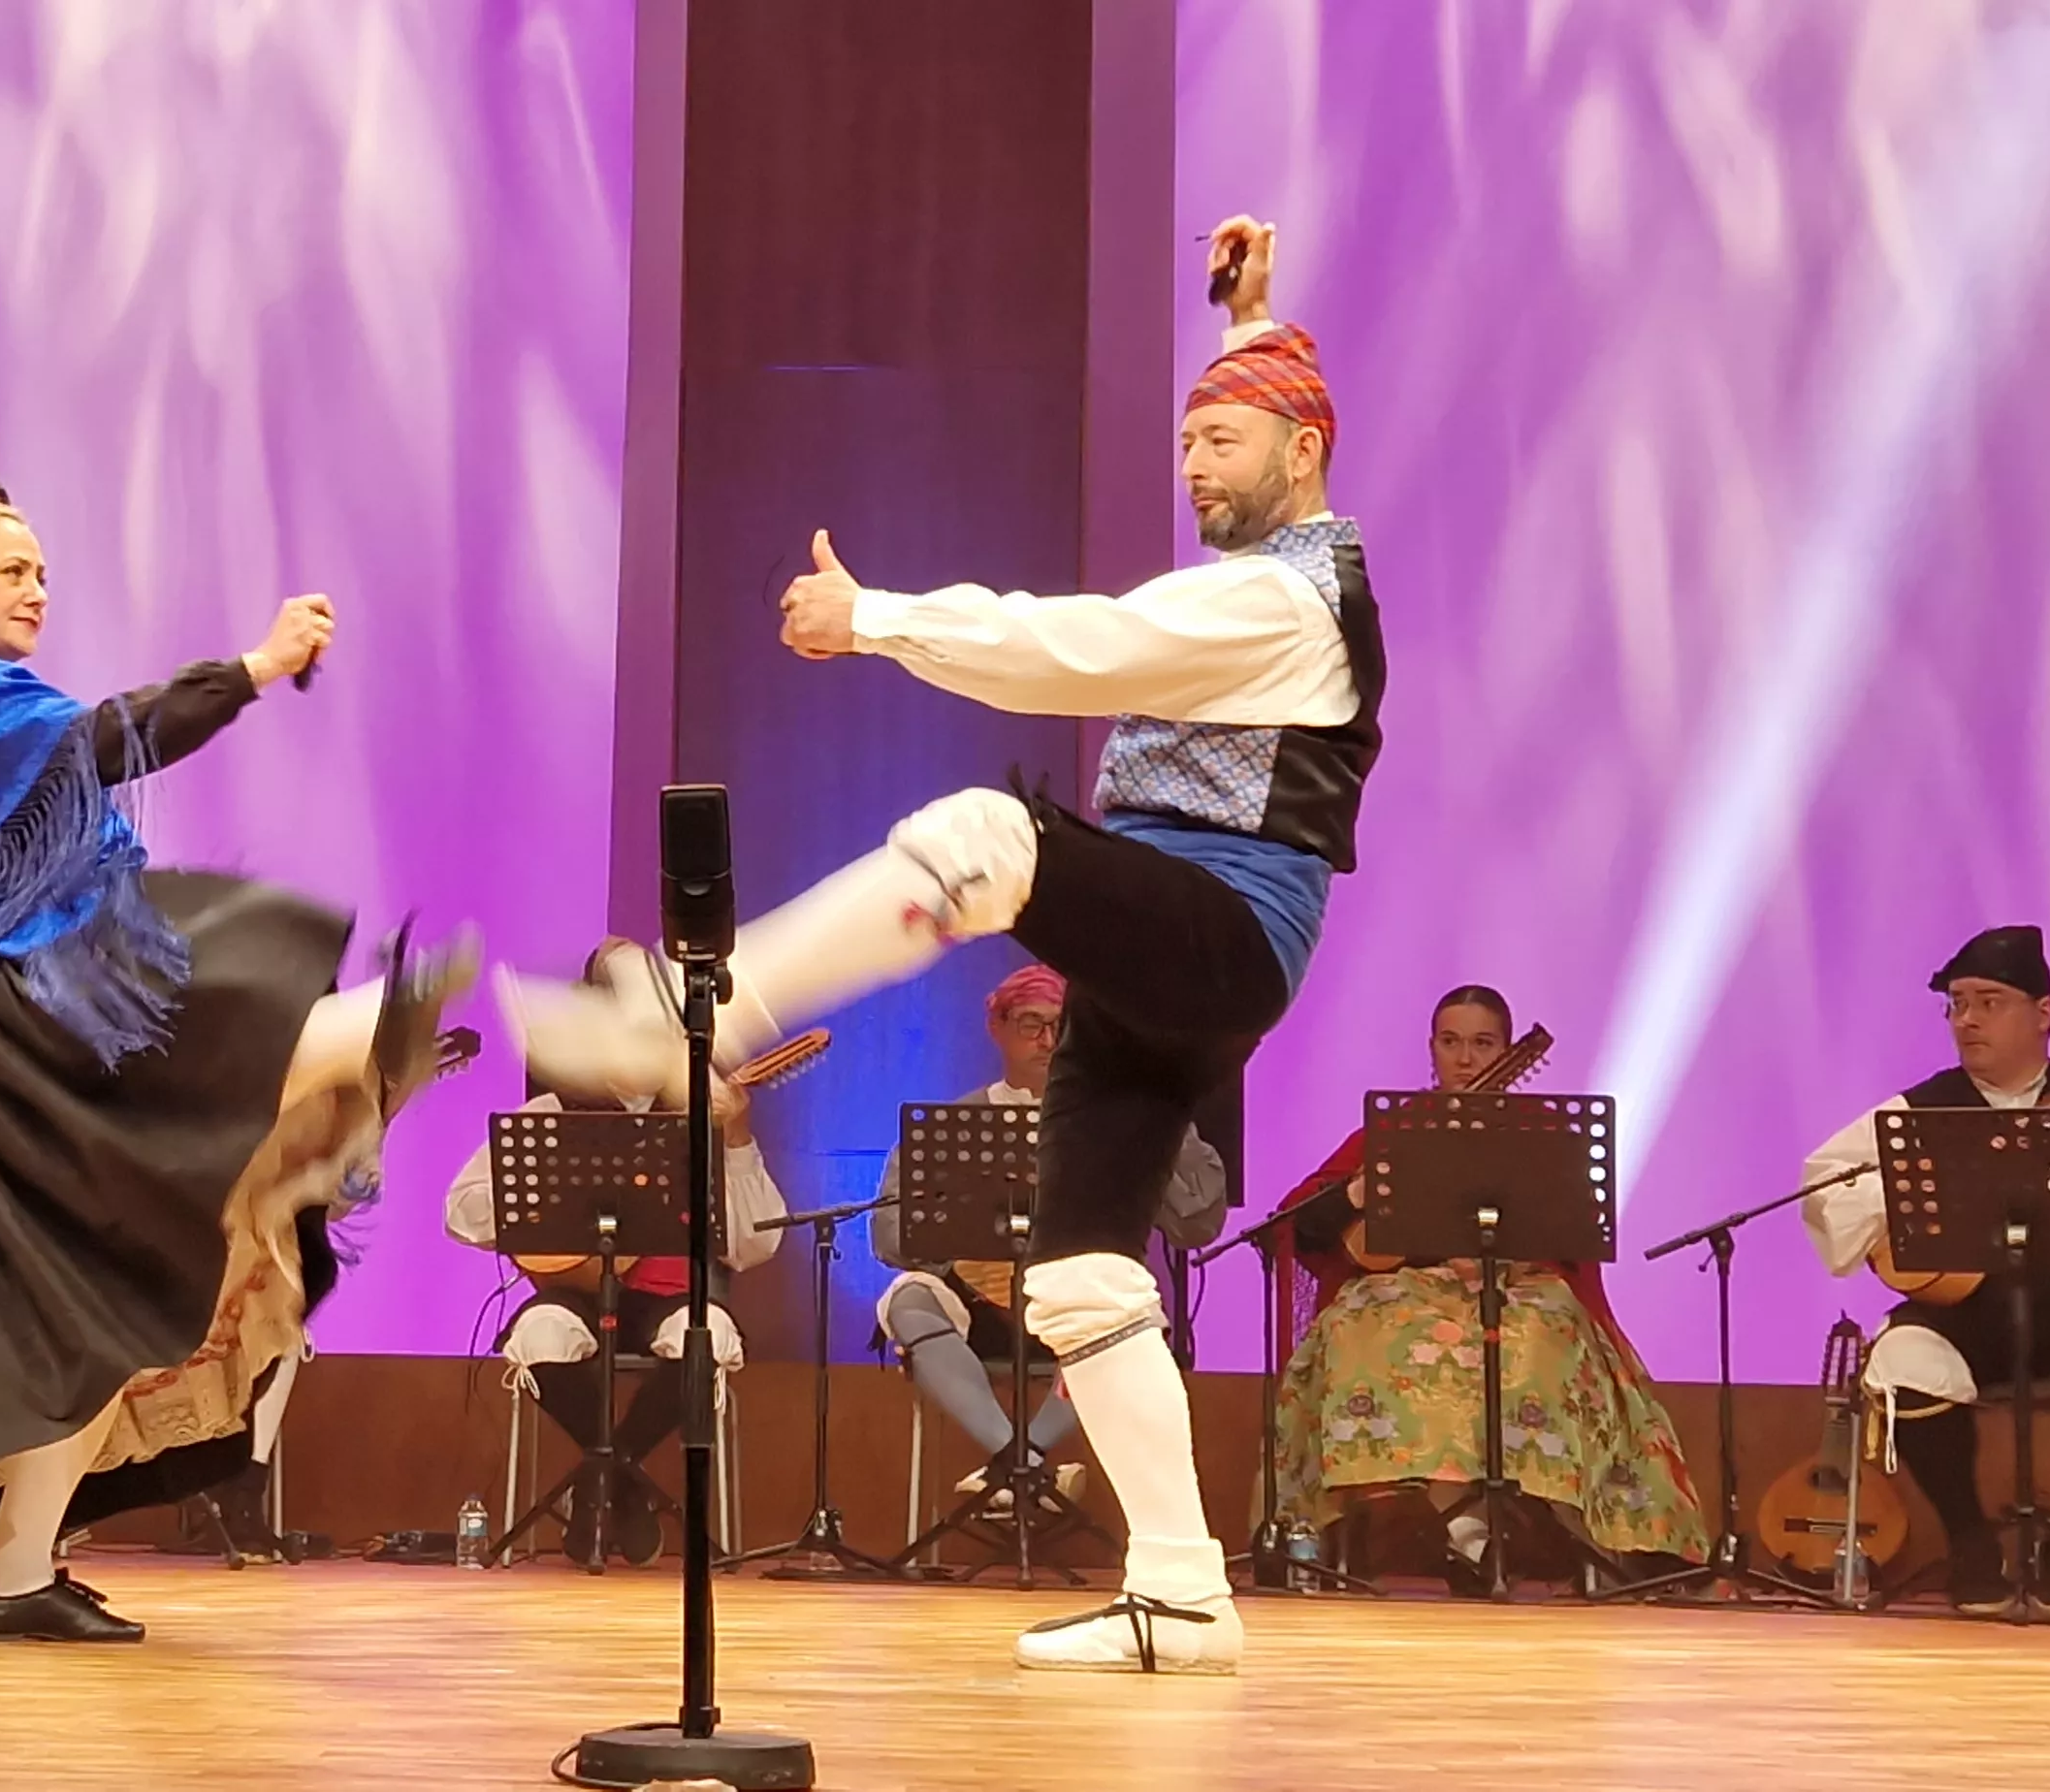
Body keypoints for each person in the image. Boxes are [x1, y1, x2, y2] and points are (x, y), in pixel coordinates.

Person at [505, 215, 1372, 1673]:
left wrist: (877, 620)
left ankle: (695, 1012)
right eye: (1186, 442)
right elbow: (1251, 441)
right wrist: (1250, 319)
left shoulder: (1291, 596)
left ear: (1302, 453)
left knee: (988, 831)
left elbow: (1077, 647)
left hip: (1221, 925)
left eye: (1221, 441)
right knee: (1085, 1273)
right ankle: (1180, 1594)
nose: (1193, 464)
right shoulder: (1262, 565)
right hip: (1152, 957)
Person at [0, 450, 470, 1645]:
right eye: (11, 569)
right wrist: (259, 669)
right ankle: (334, 1045)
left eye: (43, 573)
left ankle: (15, 1575)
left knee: (103, 1302)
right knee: (231, 967)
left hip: (36, 1019)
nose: (36, 590)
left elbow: (26, 702)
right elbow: (110, 739)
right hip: (11, 1043)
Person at [1800, 925, 2050, 1616]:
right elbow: (1825, 1184)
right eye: (1957, 1004)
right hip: (1963, 1321)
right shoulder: (1916, 1113)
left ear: (2044, 1013)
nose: (1967, 1020)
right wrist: (1900, 1204)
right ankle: (1970, 1542)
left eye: (1988, 1001)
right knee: (1901, 1364)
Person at [1267, 985, 1706, 1584]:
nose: (1465, 1058)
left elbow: (1570, 1234)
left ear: (1507, 1050)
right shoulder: (1394, 1129)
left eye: (1482, 1043)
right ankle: (1468, 1533)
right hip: (1403, 1293)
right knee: (1358, 1332)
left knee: (1535, 1341)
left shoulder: (1541, 1134)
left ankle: (1526, 1528)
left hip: (1514, 1290)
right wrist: (1355, 1193)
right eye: (1451, 1042)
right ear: (1432, 1049)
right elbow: (1295, 1224)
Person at [442, 940, 786, 1567]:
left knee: (701, 1340)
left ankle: (602, 1478)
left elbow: (755, 1244)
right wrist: (536, 1221)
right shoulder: (549, 1114)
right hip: (572, 1291)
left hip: (669, 1295)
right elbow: (461, 1212)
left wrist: (735, 1141)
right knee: (541, 1334)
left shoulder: (700, 1116)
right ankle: (625, 1483)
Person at [871, 963, 1225, 1522]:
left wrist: (1161, 1119)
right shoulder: (952, 1122)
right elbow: (890, 1237)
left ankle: (1015, 1464)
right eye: (1030, 1024)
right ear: (998, 1028)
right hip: (977, 1303)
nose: (1046, 1041)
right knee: (910, 1299)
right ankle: (1024, 1464)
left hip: (1074, 1302)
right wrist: (961, 1248)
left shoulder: (1122, 1121)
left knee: (1125, 1313)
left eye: (1060, 1026)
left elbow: (1199, 1222)